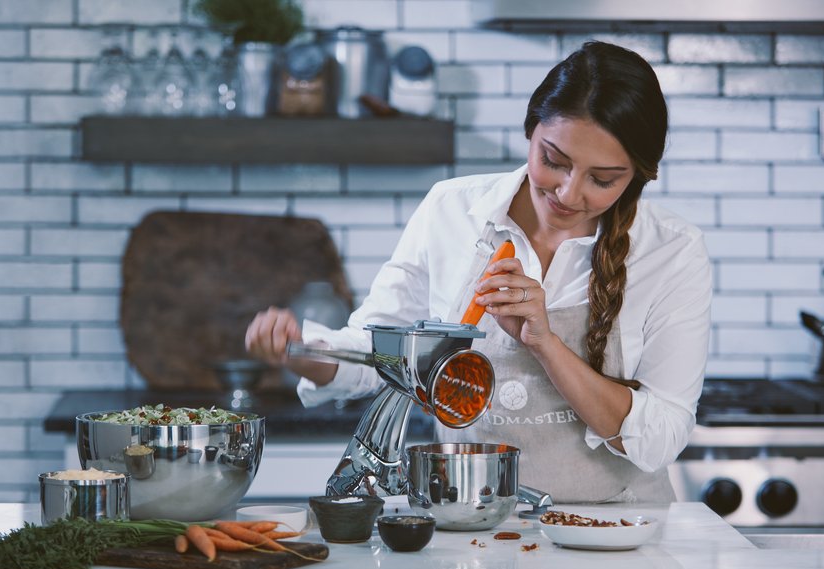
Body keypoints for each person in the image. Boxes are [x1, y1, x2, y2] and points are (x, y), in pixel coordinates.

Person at [246, 41, 712, 503]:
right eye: (553, 160)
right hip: (474, 527)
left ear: (637, 176)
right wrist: (300, 351)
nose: (569, 194)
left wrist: (544, 344)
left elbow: (660, 437)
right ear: (531, 131)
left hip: (620, 538)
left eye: (602, 180)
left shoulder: (672, 251)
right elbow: (383, 357)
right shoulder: (452, 211)